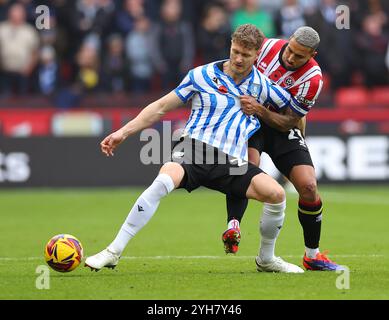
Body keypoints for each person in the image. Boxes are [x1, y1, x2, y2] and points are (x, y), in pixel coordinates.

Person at [85, 24, 305, 273]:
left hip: (231, 162)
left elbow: (295, 114)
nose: (239, 59)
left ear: (257, 55)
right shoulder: (200, 75)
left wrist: (267, 114)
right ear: (230, 47)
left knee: (276, 195)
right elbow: (160, 107)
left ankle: (266, 259)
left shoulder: (263, 87)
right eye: (235, 52)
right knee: (163, 181)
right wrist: (122, 132)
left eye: (246, 54)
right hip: (194, 148)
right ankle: (113, 251)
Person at [222, 26, 344, 271]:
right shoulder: (265, 47)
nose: (291, 58)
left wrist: (261, 109)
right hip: (250, 123)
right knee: (246, 169)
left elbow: (289, 120)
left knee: (309, 187)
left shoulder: (313, 79)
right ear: (288, 41)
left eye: (299, 56)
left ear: (313, 55)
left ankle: (313, 255)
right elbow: (234, 67)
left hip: (280, 127)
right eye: (290, 50)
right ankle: (232, 225)